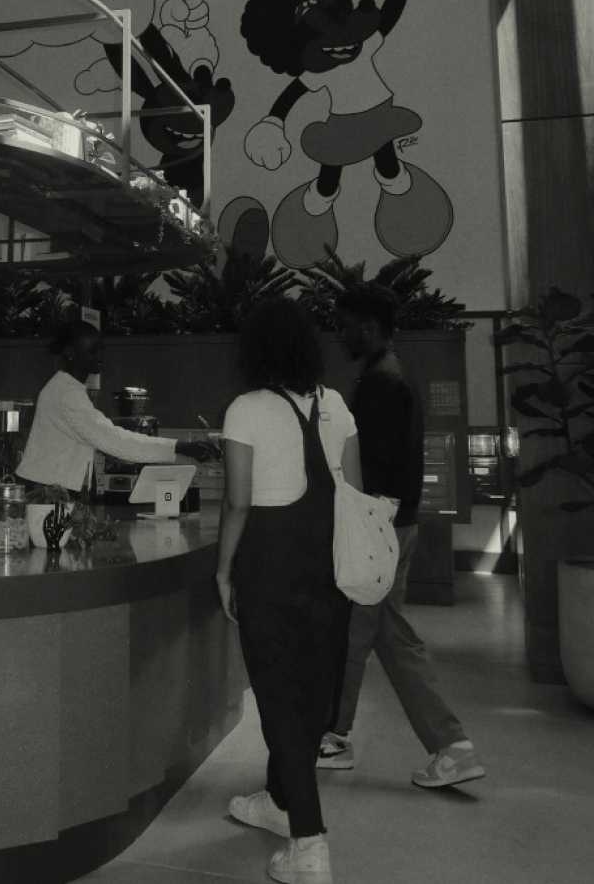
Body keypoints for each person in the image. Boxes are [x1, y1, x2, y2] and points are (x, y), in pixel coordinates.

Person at [317, 284, 485, 788]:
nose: (340, 334)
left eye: (345, 325)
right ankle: (450, 746)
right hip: (395, 524)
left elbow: (375, 467)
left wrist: (354, 517)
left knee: (354, 629)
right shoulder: (390, 374)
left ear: (368, 327)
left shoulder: (380, 385)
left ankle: (334, 737)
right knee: (389, 634)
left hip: (379, 526)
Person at [217, 298, 359, 884]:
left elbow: (238, 501)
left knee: (278, 700)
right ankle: (278, 802)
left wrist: (224, 570)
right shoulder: (338, 405)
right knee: (308, 695)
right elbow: (354, 492)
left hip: (267, 569)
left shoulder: (245, 409)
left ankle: (310, 845)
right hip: (331, 568)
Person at [15, 321, 214, 495]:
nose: (100, 356)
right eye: (92, 351)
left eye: (101, 349)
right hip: (48, 494)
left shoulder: (63, 387)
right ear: (70, 353)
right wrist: (181, 447)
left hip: (47, 489)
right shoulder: (67, 395)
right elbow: (115, 441)